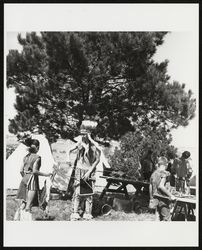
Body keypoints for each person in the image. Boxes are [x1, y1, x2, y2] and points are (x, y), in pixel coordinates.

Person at [67, 128, 101, 221]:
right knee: (78, 192)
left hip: (90, 171)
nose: (82, 136)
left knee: (89, 194)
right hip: (79, 170)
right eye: (81, 134)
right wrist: (68, 160)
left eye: (84, 134)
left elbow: (97, 160)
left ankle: (87, 213)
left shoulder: (94, 146)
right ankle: (75, 213)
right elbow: (69, 150)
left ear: (89, 135)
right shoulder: (80, 144)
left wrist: (89, 172)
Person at [15, 139, 53, 220]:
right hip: (32, 180)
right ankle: (26, 223)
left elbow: (21, 170)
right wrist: (46, 174)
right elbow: (35, 171)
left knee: (24, 202)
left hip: (24, 179)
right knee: (29, 205)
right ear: (38, 147)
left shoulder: (26, 157)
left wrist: (25, 177)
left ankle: (17, 218)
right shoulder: (37, 157)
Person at [149, 156, 176, 221]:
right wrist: (171, 195)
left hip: (155, 198)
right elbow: (161, 186)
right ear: (166, 165)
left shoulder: (153, 173)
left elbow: (150, 186)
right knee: (166, 218)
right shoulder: (165, 173)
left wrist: (151, 197)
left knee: (157, 217)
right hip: (163, 199)